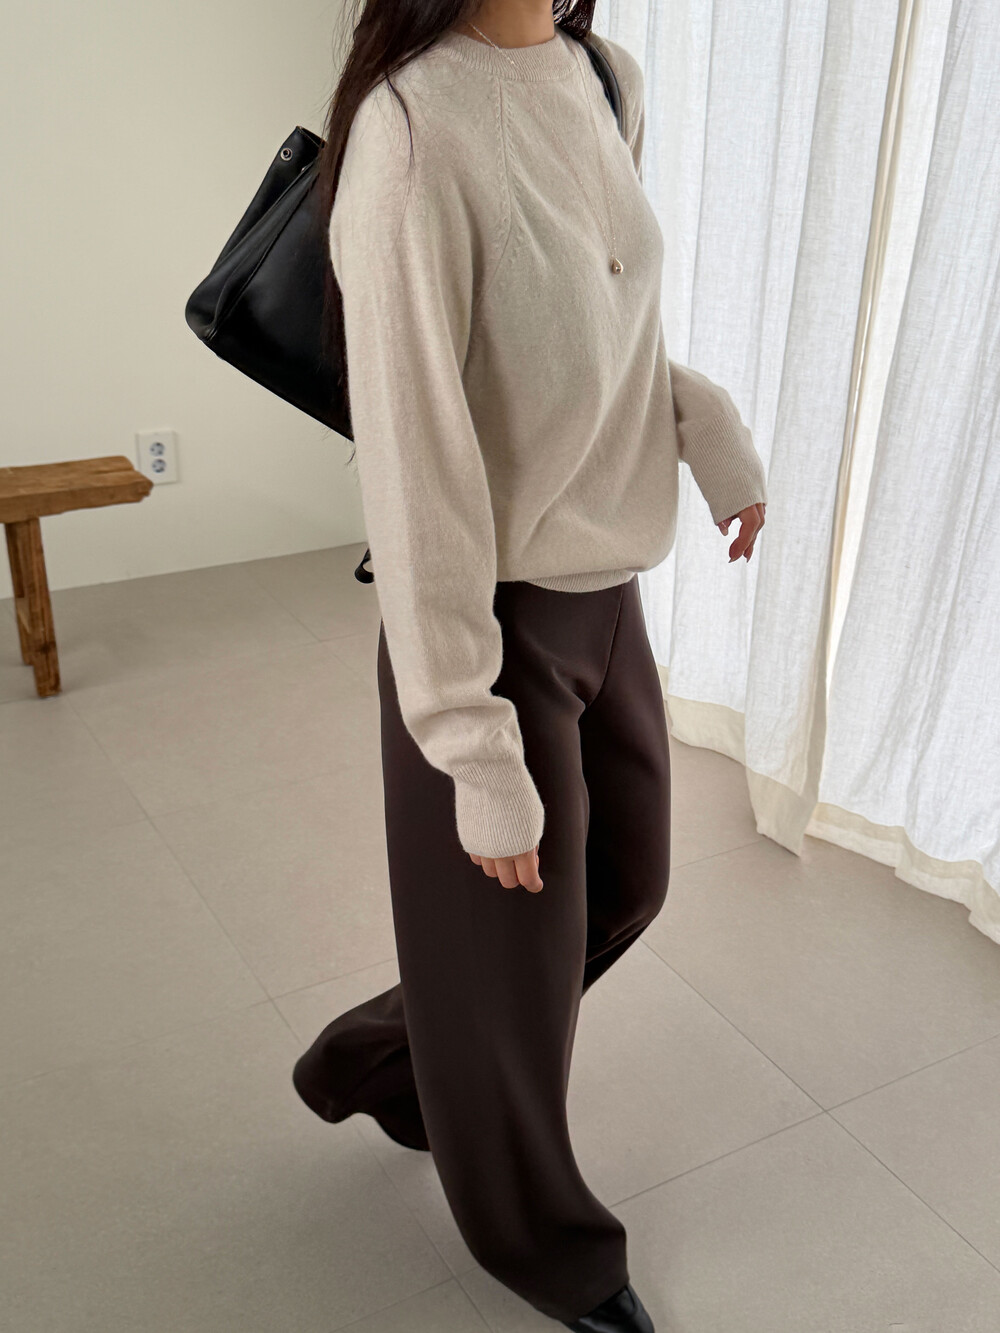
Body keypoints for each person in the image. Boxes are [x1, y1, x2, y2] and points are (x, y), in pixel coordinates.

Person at [293, 3, 767, 1329]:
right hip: (485, 620)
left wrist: (706, 428)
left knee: (625, 884)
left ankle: (380, 1061)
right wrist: (467, 740)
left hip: (606, 592)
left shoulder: (603, 76)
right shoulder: (409, 129)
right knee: (513, 962)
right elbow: (416, 460)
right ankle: (551, 1248)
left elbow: (605, 326)